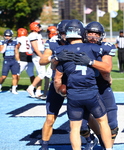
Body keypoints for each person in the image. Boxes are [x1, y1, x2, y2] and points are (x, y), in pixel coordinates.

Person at [54, 19, 112, 150]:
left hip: (73, 95)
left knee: (74, 128)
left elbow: (57, 78)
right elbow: (106, 67)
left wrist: (59, 91)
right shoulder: (94, 48)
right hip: (91, 93)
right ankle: (108, 149)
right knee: (103, 122)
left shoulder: (61, 51)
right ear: (82, 32)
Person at [80, 21, 118, 150]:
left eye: (96, 34)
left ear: (101, 35)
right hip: (83, 88)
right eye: (90, 33)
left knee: (112, 124)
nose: (92, 36)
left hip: (101, 86)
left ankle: (106, 146)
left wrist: (90, 62)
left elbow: (107, 69)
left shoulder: (106, 47)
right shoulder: (77, 46)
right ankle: (92, 139)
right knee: (81, 126)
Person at [39, 20, 71, 150]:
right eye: (62, 33)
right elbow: (42, 61)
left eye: (67, 33)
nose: (65, 36)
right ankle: (44, 145)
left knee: (84, 118)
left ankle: (89, 138)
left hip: (76, 83)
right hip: (57, 83)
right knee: (50, 118)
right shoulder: (53, 42)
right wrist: (54, 56)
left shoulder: (79, 42)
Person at [26, 22, 45, 98]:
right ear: (35, 27)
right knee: (42, 74)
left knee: (40, 74)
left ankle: (38, 91)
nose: (40, 28)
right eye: (38, 26)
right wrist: (42, 56)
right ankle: (31, 88)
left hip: (39, 54)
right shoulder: (33, 35)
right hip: (37, 55)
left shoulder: (37, 34)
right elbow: (36, 48)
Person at [38, 26, 58, 100]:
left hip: (56, 61)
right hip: (53, 60)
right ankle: (46, 93)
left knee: (48, 75)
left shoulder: (52, 41)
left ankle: (46, 93)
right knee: (48, 75)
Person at [0, 29, 19, 94]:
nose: (7, 37)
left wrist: (18, 60)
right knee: (4, 76)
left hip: (13, 60)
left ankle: (14, 89)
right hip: (6, 60)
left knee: (15, 75)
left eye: (9, 36)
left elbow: (16, 52)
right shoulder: (2, 42)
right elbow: (2, 51)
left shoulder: (14, 42)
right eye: (6, 36)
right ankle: (0, 85)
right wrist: (5, 43)